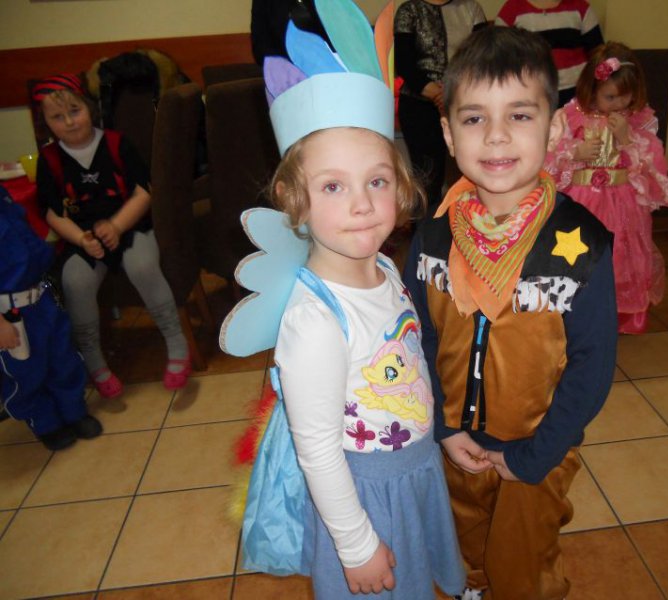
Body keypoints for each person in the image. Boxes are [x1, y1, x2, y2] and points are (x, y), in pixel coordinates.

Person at [223, 0, 466, 597]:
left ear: (400, 185)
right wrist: (357, 545)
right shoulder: (314, 322)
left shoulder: (383, 268)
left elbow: (410, 368)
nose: (361, 204)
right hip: (363, 496)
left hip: (411, 470)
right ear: (294, 199)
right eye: (333, 185)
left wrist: (441, 433)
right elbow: (319, 453)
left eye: (376, 181)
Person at [402, 26, 617, 600]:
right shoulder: (431, 238)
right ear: (448, 134)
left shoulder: (582, 245)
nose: (496, 136)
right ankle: (473, 586)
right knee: (464, 539)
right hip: (456, 440)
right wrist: (444, 427)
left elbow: (593, 364)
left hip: (538, 445)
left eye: (520, 115)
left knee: (523, 559)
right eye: (474, 118)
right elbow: (417, 340)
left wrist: (538, 454)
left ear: (555, 126)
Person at [32, 74, 191, 398]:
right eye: (58, 117)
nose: (69, 122)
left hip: (130, 228)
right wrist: (81, 239)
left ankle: (176, 341)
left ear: (89, 108)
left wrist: (117, 226)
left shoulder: (118, 144)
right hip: (83, 238)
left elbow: (143, 193)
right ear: (45, 123)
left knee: (143, 266)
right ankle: (94, 360)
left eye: (74, 111)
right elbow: (52, 213)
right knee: (75, 281)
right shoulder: (48, 160)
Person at [545, 42, 668, 334]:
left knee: (619, 258)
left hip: (622, 205)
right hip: (581, 203)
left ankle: (616, 317)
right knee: (577, 256)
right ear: (591, 88)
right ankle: (571, 314)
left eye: (625, 96)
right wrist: (575, 153)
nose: (619, 104)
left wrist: (627, 140)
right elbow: (547, 159)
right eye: (610, 97)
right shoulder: (570, 116)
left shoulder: (641, 120)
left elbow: (652, 165)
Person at [0, 183, 102, 451]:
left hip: (40, 295)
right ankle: (45, 422)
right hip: (8, 313)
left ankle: (74, 411)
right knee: (26, 373)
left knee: (62, 356)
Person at [394, 0, 486, 213]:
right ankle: (425, 231)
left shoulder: (471, 8)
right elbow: (404, 63)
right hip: (419, 105)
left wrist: (454, 94)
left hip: (466, 104)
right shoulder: (409, 10)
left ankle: (472, 227)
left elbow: (483, 58)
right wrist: (437, 93)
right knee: (427, 180)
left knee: (473, 175)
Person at [495, 0, 603, 107]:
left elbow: (599, 55)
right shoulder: (511, 9)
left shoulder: (581, 7)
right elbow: (497, 58)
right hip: (532, 96)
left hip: (578, 96)